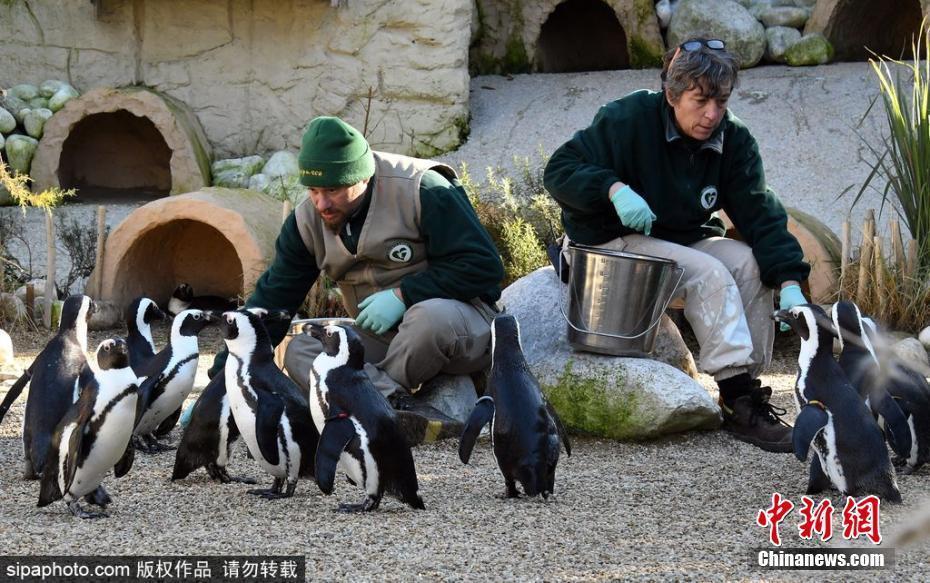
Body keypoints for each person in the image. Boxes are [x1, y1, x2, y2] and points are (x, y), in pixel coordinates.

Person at [542, 38, 810, 453]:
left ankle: (741, 392)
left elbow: (760, 212)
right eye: (701, 100)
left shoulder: (732, 139)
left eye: (721, 102)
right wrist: (612, 189)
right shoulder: (627, 118)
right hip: (611, 241)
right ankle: (739, 397)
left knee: (751, 266)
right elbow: (560, 170)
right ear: (671, 94)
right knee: (708, 274)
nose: (712, 114)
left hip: (680, 237)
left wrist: (790, 279)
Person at [209, 116, 504, 439]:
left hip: (456, 327)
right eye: (313, 190)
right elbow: (270, 305)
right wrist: (219, 385)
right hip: (381, 337)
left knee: (427, 317)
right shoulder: (306, 222)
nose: (322, 203)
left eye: (333, 190)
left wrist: (404, 296)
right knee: (300, 351)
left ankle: (367, 406)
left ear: (361, 177)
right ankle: (391, 406)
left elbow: (484, 268)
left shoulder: (423, 189)